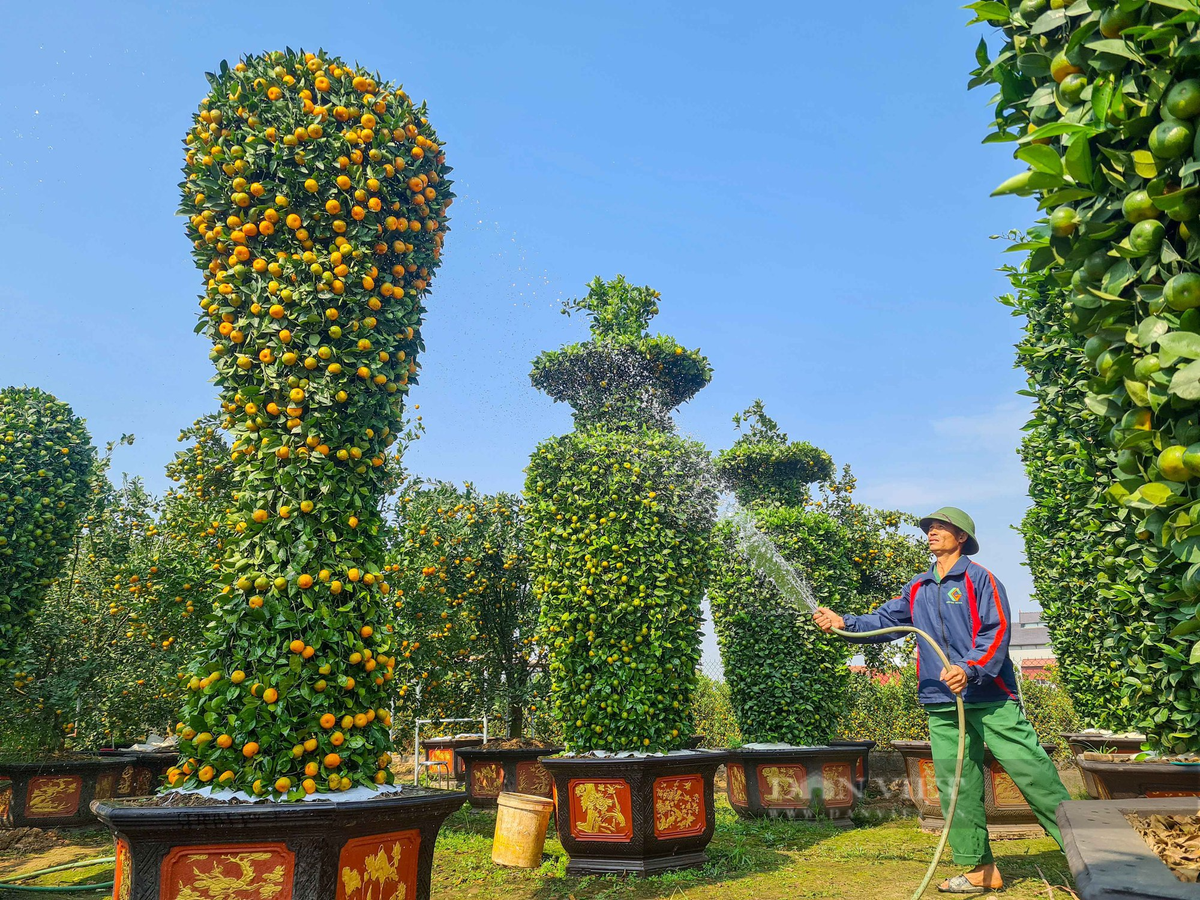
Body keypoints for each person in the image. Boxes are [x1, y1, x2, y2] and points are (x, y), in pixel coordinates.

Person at [813, 507, 1069, 895]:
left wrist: (969, 669)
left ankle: (1094, 853)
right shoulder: (917, 587)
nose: (931, 532)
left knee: (1036, 776)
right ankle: (979, 871)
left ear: (961, 536)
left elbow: (996, 634)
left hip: (990, 698)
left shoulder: (981, 580)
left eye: (940, 527)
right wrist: (844, 621)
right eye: (929, 528)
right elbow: (885, 621)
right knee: (956, 786)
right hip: (942, 702)